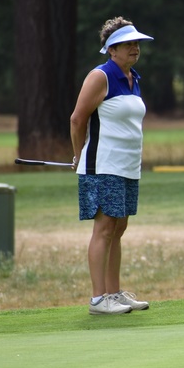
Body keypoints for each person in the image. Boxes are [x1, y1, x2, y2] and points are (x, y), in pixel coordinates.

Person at [70, 17, 154, 315]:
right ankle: (98, 299)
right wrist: (78, 155)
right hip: (103, 165)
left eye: (137, 43)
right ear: (111, 49)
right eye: (127, 44)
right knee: (105, 228)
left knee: (118, 228)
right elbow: (77, 119)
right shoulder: (100, 76)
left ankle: (114, 294)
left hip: (127, 166)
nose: (135, 48)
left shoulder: (133, 78)